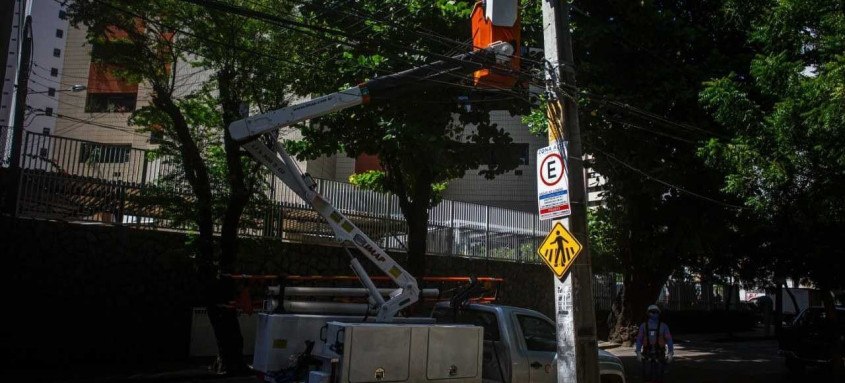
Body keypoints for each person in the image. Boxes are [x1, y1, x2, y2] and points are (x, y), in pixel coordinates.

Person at [635, 304, 674, 383]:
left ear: (658, 313)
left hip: (659, 355)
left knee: (659, 377)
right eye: (652, 312)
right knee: (647, 376)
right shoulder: (643, 326)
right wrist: (638, 352)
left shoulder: (664, 326)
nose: (653, 314)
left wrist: (670, 352)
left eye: (655, 312)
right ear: (648, 313)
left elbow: (669, 339)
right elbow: (639, 339)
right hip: (647, 354)